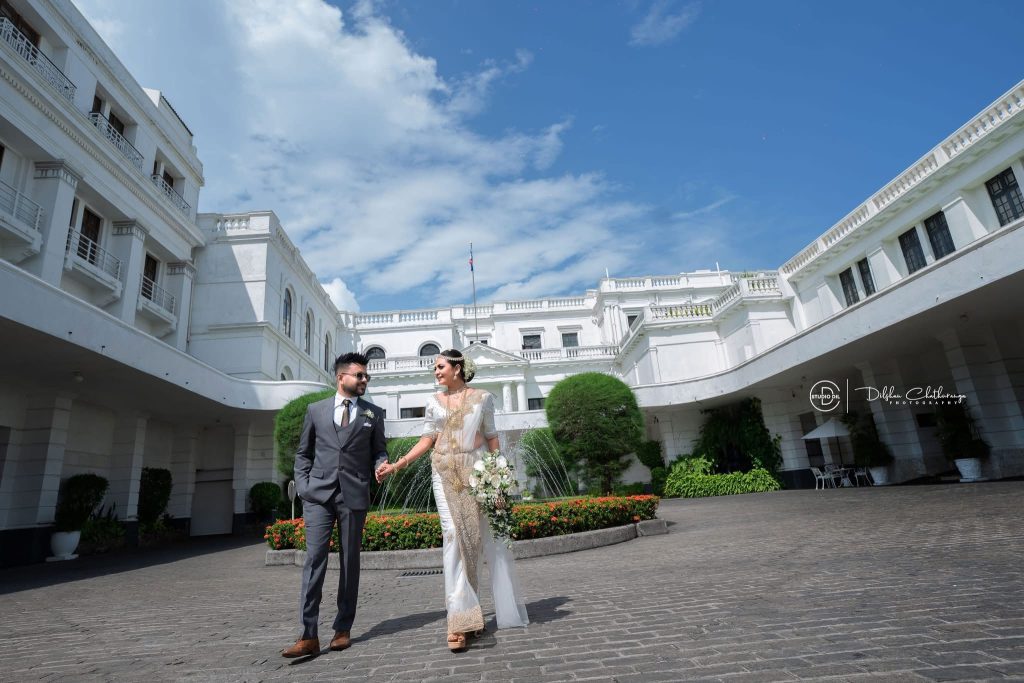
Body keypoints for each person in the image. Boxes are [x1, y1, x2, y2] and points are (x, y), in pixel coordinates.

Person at [376, 348, 529, 652]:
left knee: (472, 541)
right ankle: (458, 621)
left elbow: (492, 437)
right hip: (444, 472)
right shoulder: (433, 401)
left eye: (440, 366)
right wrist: (398, 464)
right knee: (453, 536)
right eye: (435, 368)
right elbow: (427, 438)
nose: (436, 371)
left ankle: (471, 612)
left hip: (476, 472)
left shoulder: (483, 398)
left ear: (457, 369)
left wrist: (498, 478)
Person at [281, 352, 388, 658]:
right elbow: (303, 453)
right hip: (318, 495)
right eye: (359, 375)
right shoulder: (315, 410)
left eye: (366, 376)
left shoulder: (373, 414)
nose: (365, 379)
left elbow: (379, 451)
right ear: (342, 378)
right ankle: (308, 635)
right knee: (314, 560)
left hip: (353, 495)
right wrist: (304, 487)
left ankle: (343, 629)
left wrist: (381, 465)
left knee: (350, 561)